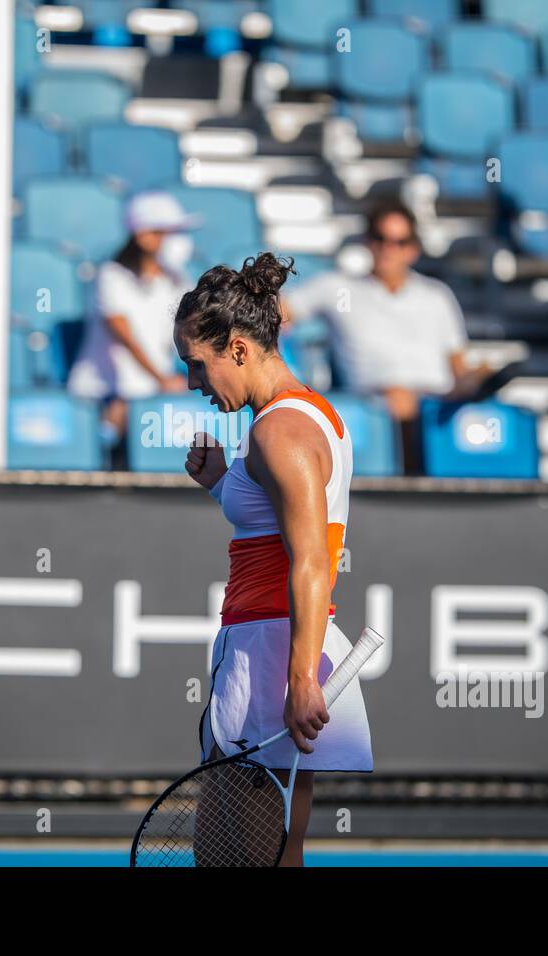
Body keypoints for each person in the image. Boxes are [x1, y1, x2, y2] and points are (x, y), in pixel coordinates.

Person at [176, 252, 373, 867]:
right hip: (268, 647)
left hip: (268, 653)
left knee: (247, 863)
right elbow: (278, 530)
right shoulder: (306, 416)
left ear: (237, 348)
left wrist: (298, 679)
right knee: (260, 858)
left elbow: (312, 561)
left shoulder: (277, 433)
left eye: (197, 365)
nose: (192, 383)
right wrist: (220, 484)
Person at [280, 200, 497, 474]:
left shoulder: (437, 295)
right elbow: (278, 314)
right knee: (401, 401)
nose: (388, 249)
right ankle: (413, 485)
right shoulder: (336, 288)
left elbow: (458, 367)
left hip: (437, 405)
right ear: (368, 242)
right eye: (381, 239)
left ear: (413, 249)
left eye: (400, 242)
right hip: (373, 404)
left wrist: (479, 379)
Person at [66, 191, 199, 466]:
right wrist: (161, 381)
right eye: (165, 232)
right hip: (102, 392)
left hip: (154, 394)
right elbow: (124, 335)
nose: (175, 240)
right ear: (144, 236)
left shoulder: (179, 280)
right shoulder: (111, 276)